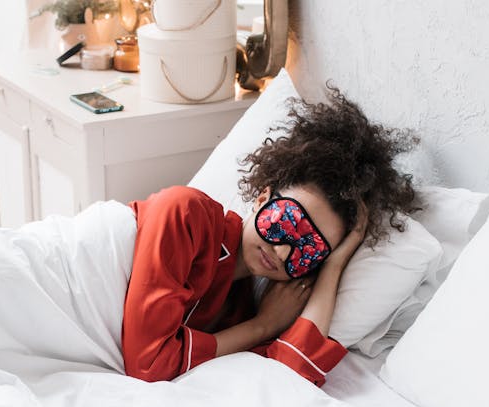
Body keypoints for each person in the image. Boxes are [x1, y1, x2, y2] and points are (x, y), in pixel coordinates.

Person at [121, 85, 419, 385]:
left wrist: (333, 265)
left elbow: (290, 376)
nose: (284, 253)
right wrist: (262, 326)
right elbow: (148, 365)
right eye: (289, 223)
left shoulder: (239, 309)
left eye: (309, 249)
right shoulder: (186, 213)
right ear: (263, 198)